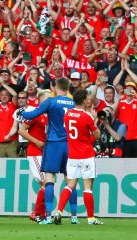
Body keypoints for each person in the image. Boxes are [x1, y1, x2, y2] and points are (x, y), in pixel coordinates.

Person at [19, 77, 75, 225]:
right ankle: (74, 217)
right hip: (69, 145)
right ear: (68, 87)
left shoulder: (52, 102)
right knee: (70, 181)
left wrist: (21, 113)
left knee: (49, 180)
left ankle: (48, 216)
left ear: (56, 87)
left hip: (53, 144)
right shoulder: (74, 103)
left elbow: (31, 115)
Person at [52, 89, 103, 225]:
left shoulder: (68, 114)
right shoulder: (87, 117)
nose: (88, 100)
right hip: (86, 154)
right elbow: (97, 135)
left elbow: (69, 131)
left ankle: (59, 211)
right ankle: (91, 218)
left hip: (73, 155)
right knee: (87, 187)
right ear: (84, 100)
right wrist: (95, 120)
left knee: (70, 185)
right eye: (87, 98)